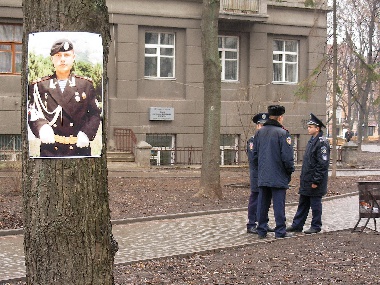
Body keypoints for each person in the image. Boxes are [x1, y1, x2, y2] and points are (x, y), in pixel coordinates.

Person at [28, 39, 101, 157]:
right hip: (50, 148)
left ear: (73, 57)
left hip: (79, 147)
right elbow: (33, 112)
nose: (62, 59)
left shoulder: (85, 85)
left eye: (66, 55)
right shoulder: (40, 86)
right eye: (58, 55)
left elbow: (94, 114)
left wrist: (87, 133)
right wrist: (41, 127)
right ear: (52, 59)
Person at [253, 105, 295, 239]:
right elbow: (287, 157)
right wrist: (290, 171)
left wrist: (260, 170)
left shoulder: (259, 132)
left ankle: (261, 229)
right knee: (278, 204)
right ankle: (280, 231)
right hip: (278, 175)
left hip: (263, 174)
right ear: (280, 117)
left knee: (262, 204)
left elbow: (254, 155)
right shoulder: (283, 133)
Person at [287, 113, 330, 234]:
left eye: (311, 127)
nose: (308, 128)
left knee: (315, 204)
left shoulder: (321, 143)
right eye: (308, 126)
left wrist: (316, 180)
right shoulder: (312, 141)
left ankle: (316, 225)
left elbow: (322, 164)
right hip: (307, 179)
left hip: (315, 181)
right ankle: (297, 225)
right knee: (303, 203)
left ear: (317, 128)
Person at [246, 112, 274, 234]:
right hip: (257, 175)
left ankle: (263, 222)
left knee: (266, 200)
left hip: (267, 175)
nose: (262, 128)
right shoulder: (253, 141)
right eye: (260, 125)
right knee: (255, 199)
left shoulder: (269, 140)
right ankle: (251, 223)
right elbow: (254, 158)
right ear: (257, 126)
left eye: (264, 125)